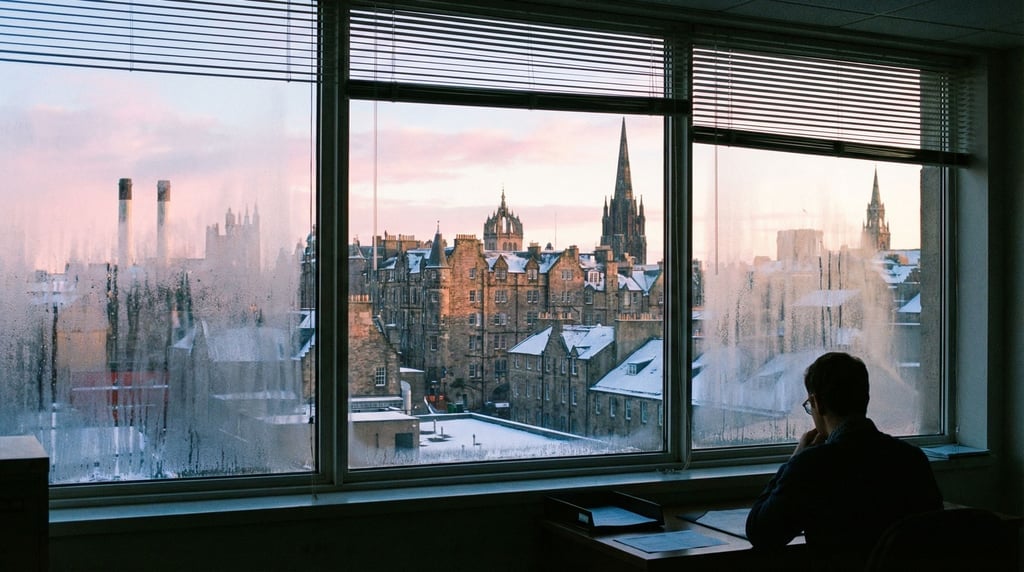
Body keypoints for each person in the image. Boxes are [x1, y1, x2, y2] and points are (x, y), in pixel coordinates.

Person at [746, 352, 942, 570]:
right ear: (866, 399)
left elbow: (760, 533)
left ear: (817, 403)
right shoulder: (912, 459)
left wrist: (794, 461)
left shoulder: (811, 467)